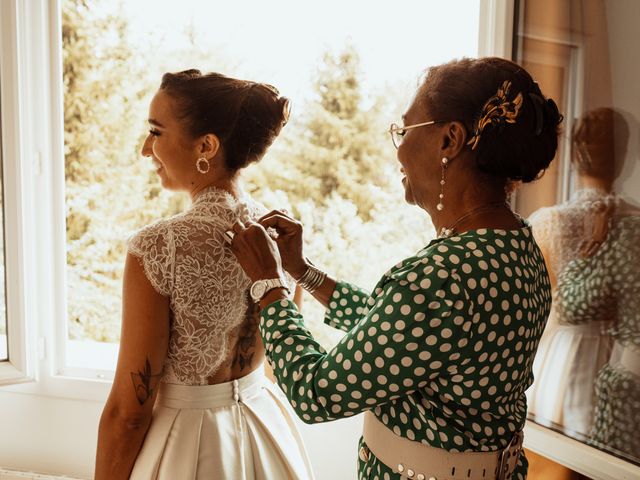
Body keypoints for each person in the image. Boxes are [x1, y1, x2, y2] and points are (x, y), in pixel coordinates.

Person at [227, 57, 563, 480]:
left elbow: (316, 393)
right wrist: (304, 271)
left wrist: (269, 285)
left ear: (450, 140)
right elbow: (404, 336)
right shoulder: (517, 246)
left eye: (404, 131)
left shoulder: (444, 274)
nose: (399, 149)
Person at [94, 70, 313, 480]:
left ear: (206, 146)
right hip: (266, 431)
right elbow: (282, 361)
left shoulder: (159, 247)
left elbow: (129, 414)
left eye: (156, 132)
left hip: (187, 447)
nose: (146, 149)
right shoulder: (281, 234)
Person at [527, 108, 638, 443]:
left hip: (564, 356)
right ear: (625, 159)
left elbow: (541, 308)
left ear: (574, 156)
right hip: (623, 357)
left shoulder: (547, 222)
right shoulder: (635, 220)